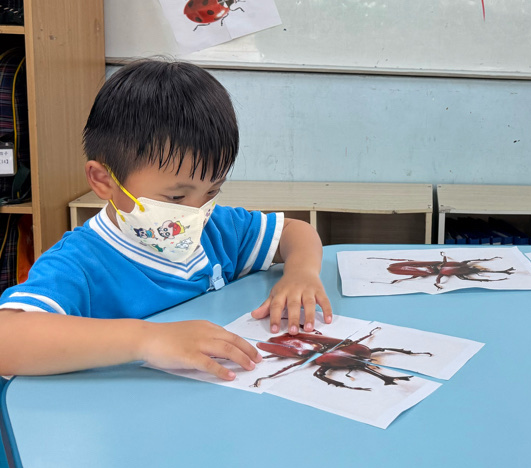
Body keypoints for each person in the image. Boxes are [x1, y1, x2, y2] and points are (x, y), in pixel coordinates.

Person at [0, 60, 332, 380]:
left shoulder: (217, 230)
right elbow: (8, 339)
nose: (196, 212)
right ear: (104, 181)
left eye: (212, 191)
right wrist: (148, 339)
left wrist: (301, 273)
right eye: (176, 198)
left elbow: (295, 231)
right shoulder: (80, 264)